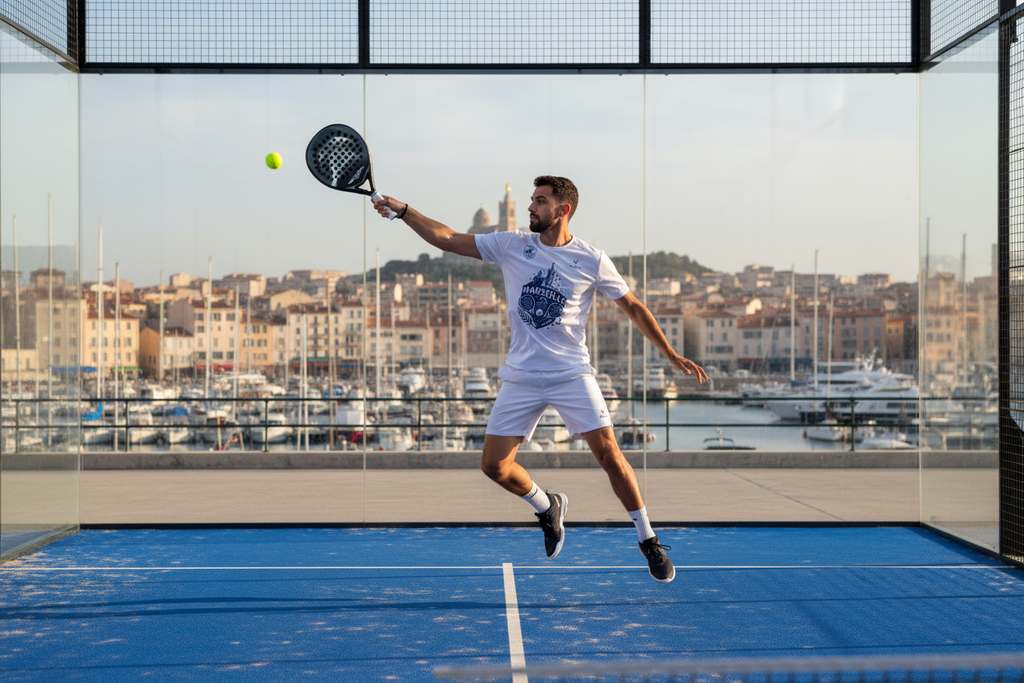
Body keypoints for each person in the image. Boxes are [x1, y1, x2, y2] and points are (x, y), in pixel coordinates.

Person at [373, 176, 707, 583]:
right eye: (531, 200)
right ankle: (547, 506)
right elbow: (447, 239)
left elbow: (634, 306)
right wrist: (404, 211)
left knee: (610, 455)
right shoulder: (512, 244)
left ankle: (648, 540)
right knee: (494, 466)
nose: (531, 207)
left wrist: (670, 353)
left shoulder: (591, 259)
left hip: (571, 373)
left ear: (562, 210)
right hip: (522, 376)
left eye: (540, 201)